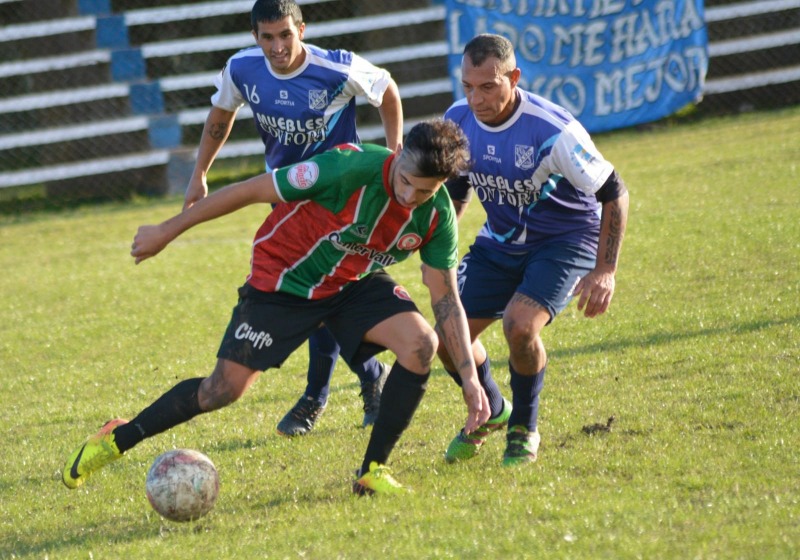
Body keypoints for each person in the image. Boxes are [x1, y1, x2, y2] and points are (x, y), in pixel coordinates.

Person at [61, 119, 490, 495]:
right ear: (398, 155)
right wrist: (166, 231)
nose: (410, 195)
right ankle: (117, 438)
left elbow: (445, 296)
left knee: (421, 345)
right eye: (406, 180)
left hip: (351, 282)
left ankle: (372, 471)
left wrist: (469, 379)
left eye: (425, 190)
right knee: (221, 391)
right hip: (284, 279)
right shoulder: (345, 167)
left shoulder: (436, 215)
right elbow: (249, 190)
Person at [185, 0, 404, 436]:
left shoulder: (336, 69)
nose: (277, 46)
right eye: (267, 37)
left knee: (319, 298)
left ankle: (315, 398)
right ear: (255, 37)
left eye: (285, 35)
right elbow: (220, 116)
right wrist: (199, 174)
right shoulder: (242, 70)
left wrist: (395, 155)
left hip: (340, 199)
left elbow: (388, 90)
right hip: (285, 200)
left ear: (301, 30)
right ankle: (367, 376)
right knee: (314, 297)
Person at [437, 34, 629, 467]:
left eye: (488, 86)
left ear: (514, 78)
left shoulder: (552, 128)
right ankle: (491, 409)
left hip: (564, 239)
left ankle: (523, 427)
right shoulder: (457, 120)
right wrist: (436, 238)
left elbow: (614, 191)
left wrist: (605, 271)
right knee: (447, 339)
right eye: (468, 86)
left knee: (520, 326)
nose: (476, 98)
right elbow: (457, 190)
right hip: (499, 241)